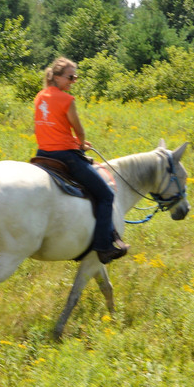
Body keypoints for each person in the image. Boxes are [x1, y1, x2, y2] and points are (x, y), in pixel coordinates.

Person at [33, 57, 128, 264]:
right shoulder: (67, 100)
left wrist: (74, 141)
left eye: (75, 77)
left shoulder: (40, 96)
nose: (73, 81)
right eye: (70, 77)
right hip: (66, 157)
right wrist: (81, 143)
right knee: (105, 195)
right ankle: (103, 246)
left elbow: (51, 126)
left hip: (42, 154)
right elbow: (79, 130)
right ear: (57, 77)